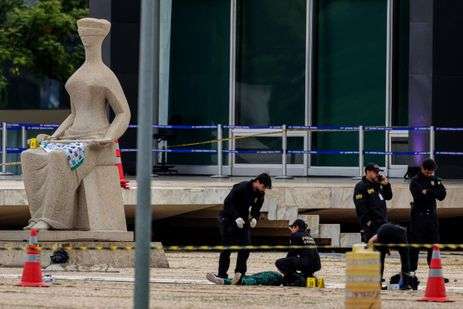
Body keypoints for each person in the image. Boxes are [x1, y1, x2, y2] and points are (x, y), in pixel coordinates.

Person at [207, 173, 272, 283]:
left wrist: (255, 218)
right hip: (228, 218)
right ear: (257, 182)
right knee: (227, 248)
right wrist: (236, 217)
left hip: (243, 218)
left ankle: (240, 273)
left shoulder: (260, 194)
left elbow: (256, 209)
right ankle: (222, 274)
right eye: (263, 186)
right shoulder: (241, 187)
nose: (264, 189)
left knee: (245, 247)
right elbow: (228, 203)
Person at [353, 163, 393, 280]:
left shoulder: (377, 185)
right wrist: (367, 223)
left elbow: (388, 196)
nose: (377, 174)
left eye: (378, 172)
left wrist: (386, 185)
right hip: (371, 226)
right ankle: (372, 277)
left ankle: (378, 278)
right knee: (372, 252)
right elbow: (360, 207)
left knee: (381, 253)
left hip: (382, 224)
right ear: (368, 172)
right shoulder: (361, 186)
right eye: (375, 172)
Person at [409, 158, 446, 272]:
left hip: (431, 218)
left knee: (434, 245)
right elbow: (419, 196)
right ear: (422, 168)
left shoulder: (435, 180)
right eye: (428, 171)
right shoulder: (415, 181)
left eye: (431, 172)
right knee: (415, 245)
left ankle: (434, 271)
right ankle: (411, 272)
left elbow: (442, 195)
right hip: (418, 218)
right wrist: (432, 192)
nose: (430, 174)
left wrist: (428, 191)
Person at [368, 223, 418, 290]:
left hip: (384, 230)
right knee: (405, 261)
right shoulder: (403, 234)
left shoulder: (382, 233)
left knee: (380, 261)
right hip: (393, 234)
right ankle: (405, 284)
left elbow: (371, 240)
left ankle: (378, 284)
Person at [275, 219, 321, 287]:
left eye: (292, 228)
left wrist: (286, 267)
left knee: (279, 262)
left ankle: (297, 278)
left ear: (296, 227)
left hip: (306, 264)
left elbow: (292, 253)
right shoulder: (309, 236)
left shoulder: (296, 235)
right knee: (297, 260)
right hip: (316, 265)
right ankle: (308, 276)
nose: (291, 230)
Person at [207, 271, 283, 286]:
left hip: (278, 277)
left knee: (256, 279)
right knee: (252, 278)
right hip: (277, 276)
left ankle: (240, 281)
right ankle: (223, 281)